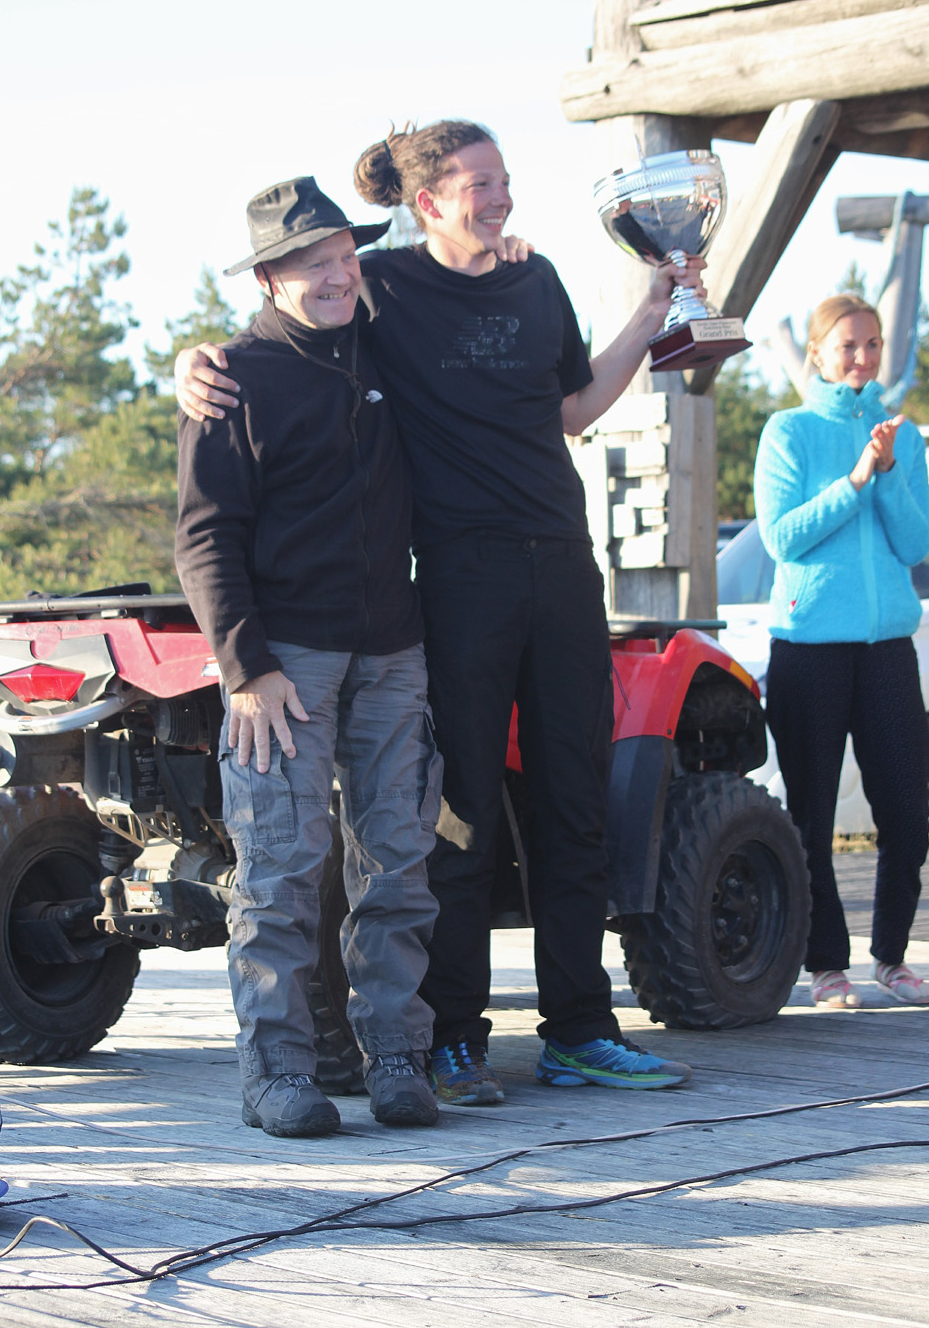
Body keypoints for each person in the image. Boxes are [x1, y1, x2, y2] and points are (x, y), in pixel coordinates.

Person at [177, 120, 703, 1102]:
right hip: (458, 578)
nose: (499, 199)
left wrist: (652, 309)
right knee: (457, 815)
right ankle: (452, 1038)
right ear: (427, 202)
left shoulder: (535, 281)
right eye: (477, 184)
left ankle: (579, 1029)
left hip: (560, 568)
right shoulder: (384, 290)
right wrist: (193, 363)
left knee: (573, 802)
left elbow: (571, 409)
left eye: (504, 180)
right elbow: (286, 331)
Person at [176, 176, 443, 1138]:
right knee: (281, 871)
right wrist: (245, 669)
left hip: (394, 652)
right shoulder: (231, 380)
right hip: (285, 665)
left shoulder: (390, 345)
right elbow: (204, 537)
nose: (336, 276)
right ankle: (276, 1074)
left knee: (398, 861)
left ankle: (397, 1057)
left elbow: (455, 267)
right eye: (311, 264)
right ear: (268, 278)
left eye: (343, 256)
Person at [753, 293, 929, 1011]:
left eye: (873, 344)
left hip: (887, 647)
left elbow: (916, 545)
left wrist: (886, 472)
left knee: (906, 810)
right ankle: (827, 965)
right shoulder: (789, 430)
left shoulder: (904, 437)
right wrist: (855, 480)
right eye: (848, 345)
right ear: (819, 354)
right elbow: (782, 538)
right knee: (812, 815)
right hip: (809, 648)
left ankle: (892, 956)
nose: (862, 357)